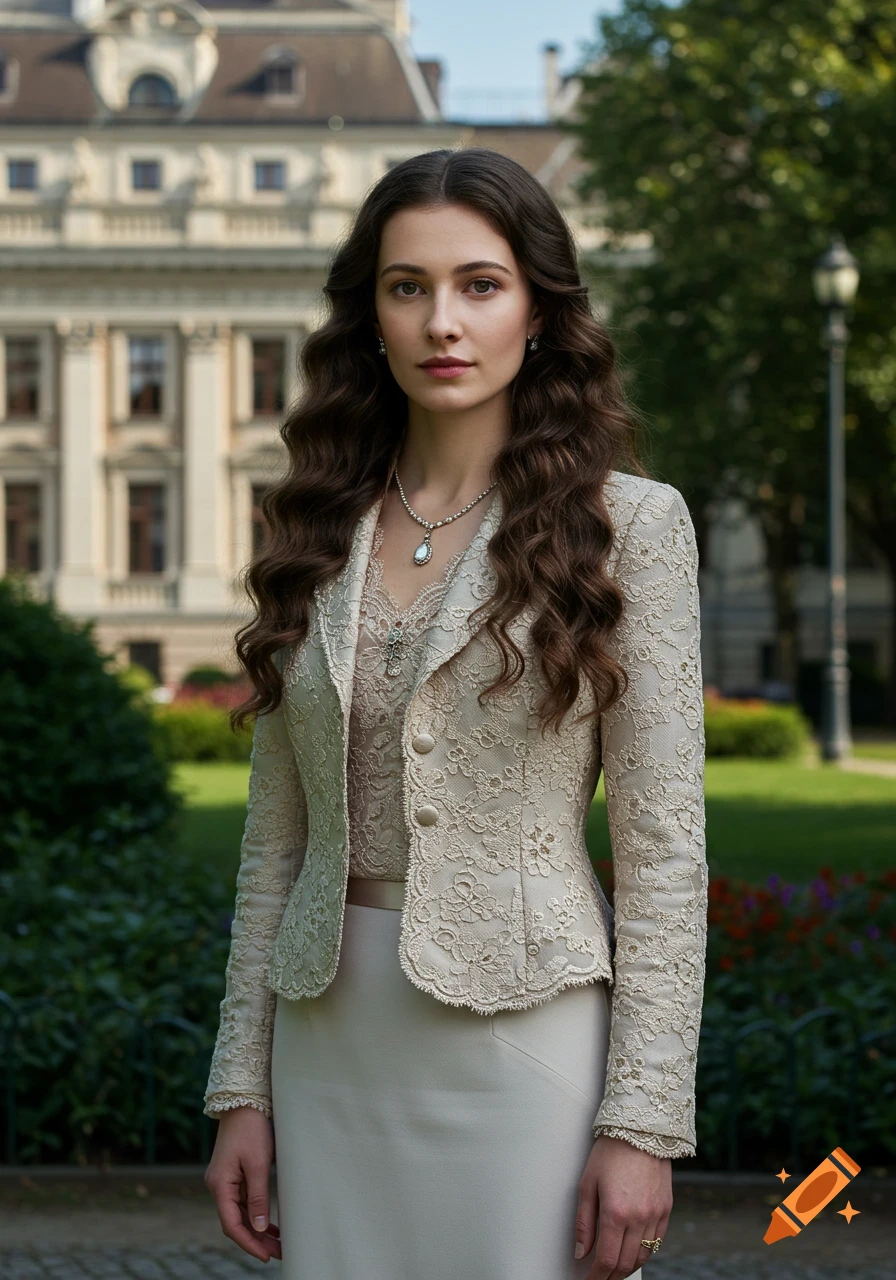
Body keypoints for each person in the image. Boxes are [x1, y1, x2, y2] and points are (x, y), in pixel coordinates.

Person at [202, 147, 707, 1280]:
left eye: (479, 284)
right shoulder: (310, 529)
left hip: (523, 1041)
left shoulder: (631, 525)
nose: (443, 319)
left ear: (537, 309)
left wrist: (640, 1122)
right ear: (369, 315)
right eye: (406, 285)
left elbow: (665, 849)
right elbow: (274, 844)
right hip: (327, 1045)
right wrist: (241, 1087)